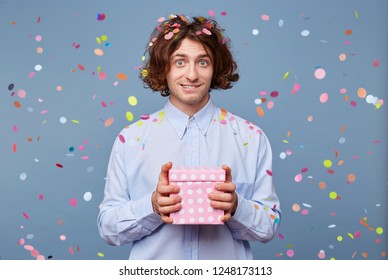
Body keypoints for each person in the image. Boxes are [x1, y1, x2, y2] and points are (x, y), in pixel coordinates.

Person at [97, 14, 281, 260]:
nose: (192, 75)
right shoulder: (130, 139)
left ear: (215, 67)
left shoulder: (251, 138)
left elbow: (269, 227)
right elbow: (107, 227)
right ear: (164, 67)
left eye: (202, 62)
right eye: (180, 62)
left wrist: (237, 206)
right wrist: (151, 206)